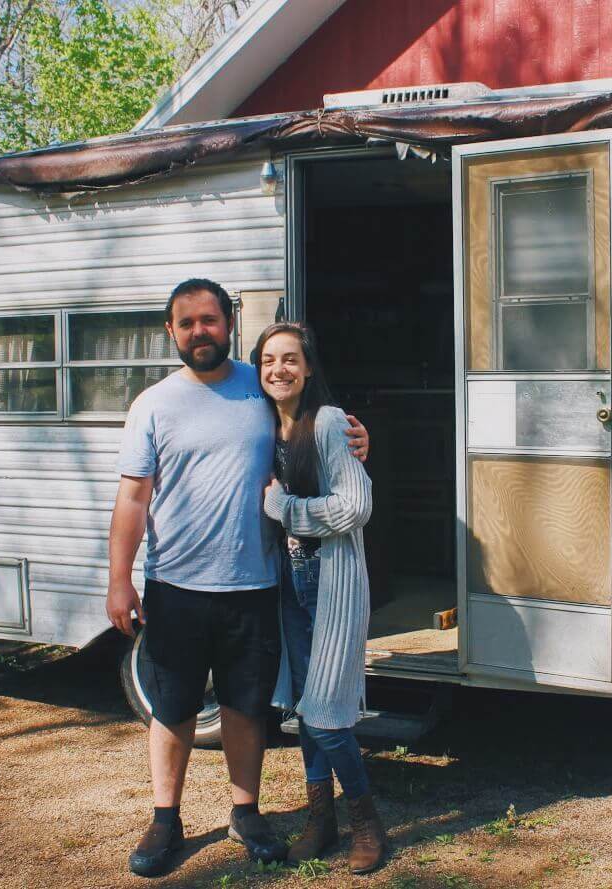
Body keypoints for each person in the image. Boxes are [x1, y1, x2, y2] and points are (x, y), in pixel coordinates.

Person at [106, 280, 369, 878]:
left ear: (229, 324)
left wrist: (358, 440)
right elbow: (132, 498)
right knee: (172, 709)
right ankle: (165, 818)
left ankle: (245, 812)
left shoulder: (263, 387)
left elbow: (319, 435)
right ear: (170, 332)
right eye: (187, 322)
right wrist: (120, 578)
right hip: (175, 585)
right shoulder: (153, 404)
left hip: (255, 585)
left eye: (211, 319)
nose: (200, 330)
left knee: (245, 708)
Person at [253, 322, 387, 874]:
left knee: (328, 715)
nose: (278, 369)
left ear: (308, 368)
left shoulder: (329, 423)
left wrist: (285, 508)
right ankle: (319, 821)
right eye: (267, 360)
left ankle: (366, 824)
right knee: (306, 710)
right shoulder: (262, 425)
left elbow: (355, 507)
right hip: (287, 584)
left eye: (290, 359)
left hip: (328, 582)